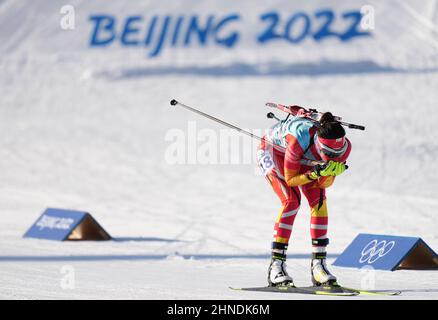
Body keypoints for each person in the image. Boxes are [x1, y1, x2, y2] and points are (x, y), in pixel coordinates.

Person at [257, 109, 351, 287]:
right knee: (291, 202)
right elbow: (291, 180)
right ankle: (276, 266)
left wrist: (328, 174)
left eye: (338, 154)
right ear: (319, 143)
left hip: (305, 160)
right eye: (329, 154)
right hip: (274, 152)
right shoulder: (298, 140)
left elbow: (324, 184)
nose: (334, 157)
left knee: (319, 202)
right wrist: (316, 172)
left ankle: (319, 266)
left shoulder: (343, 148)